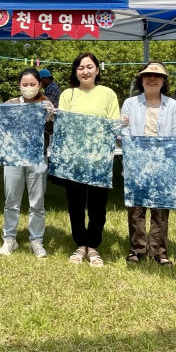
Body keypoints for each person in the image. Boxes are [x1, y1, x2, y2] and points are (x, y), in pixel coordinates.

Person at [58, 52, 120, 267]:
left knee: (97, 206)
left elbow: (113, 125)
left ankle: (93, 245)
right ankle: (80, 244)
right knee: (75, 205)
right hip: (73, 161)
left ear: (97, 70)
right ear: (75, 72)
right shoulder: (68, 94)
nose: (85, 71)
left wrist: (121, 123)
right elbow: (63, 126)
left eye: (89, 66)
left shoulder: (108, 94)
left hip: (99, 160)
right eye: (80, 67)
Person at [120, 62, 176, 266]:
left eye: (158, 76)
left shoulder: (174, 105)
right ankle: (137, 249)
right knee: (136, 209)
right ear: (141, 79)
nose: (152, 79)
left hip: (164, 164)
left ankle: (159, 251)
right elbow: (124, 131)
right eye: (147, 75)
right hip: (136, 163)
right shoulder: (130, 103)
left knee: (160, 210)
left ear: (164, 80)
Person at [0, 68, 54, 258]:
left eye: (32, 84)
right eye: (25, 84)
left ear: (40, 85)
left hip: (37, 157)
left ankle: (36, 240)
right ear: (19, 86)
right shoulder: (10, 104)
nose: (29, 88)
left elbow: (53, 129)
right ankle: (9, 239)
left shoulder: (46, 104)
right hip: (13, 157)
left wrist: (51, 116)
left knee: (37, 202)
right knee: (11, 200)